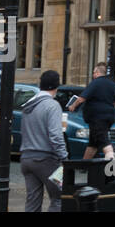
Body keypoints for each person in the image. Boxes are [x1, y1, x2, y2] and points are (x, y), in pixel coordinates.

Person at [20, 70, 67, 212]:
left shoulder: (28, 106)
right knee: (60, 198)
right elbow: (55, 135)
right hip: (46, 160)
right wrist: (64, 156)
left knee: (32, 202)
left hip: (26, 159)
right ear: (56, 86)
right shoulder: (52, 105)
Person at [67, 61, 115, 175]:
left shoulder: (96, 83)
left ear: (97, 73)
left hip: (97, 117)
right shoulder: (113, 83)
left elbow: (82, 98)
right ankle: (84, 165)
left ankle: (112, 170)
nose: (93, 74)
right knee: (93, 143)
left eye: (94, 72)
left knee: (104, 142)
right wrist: (109, 105)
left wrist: (73, 105)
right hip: (109, 116)